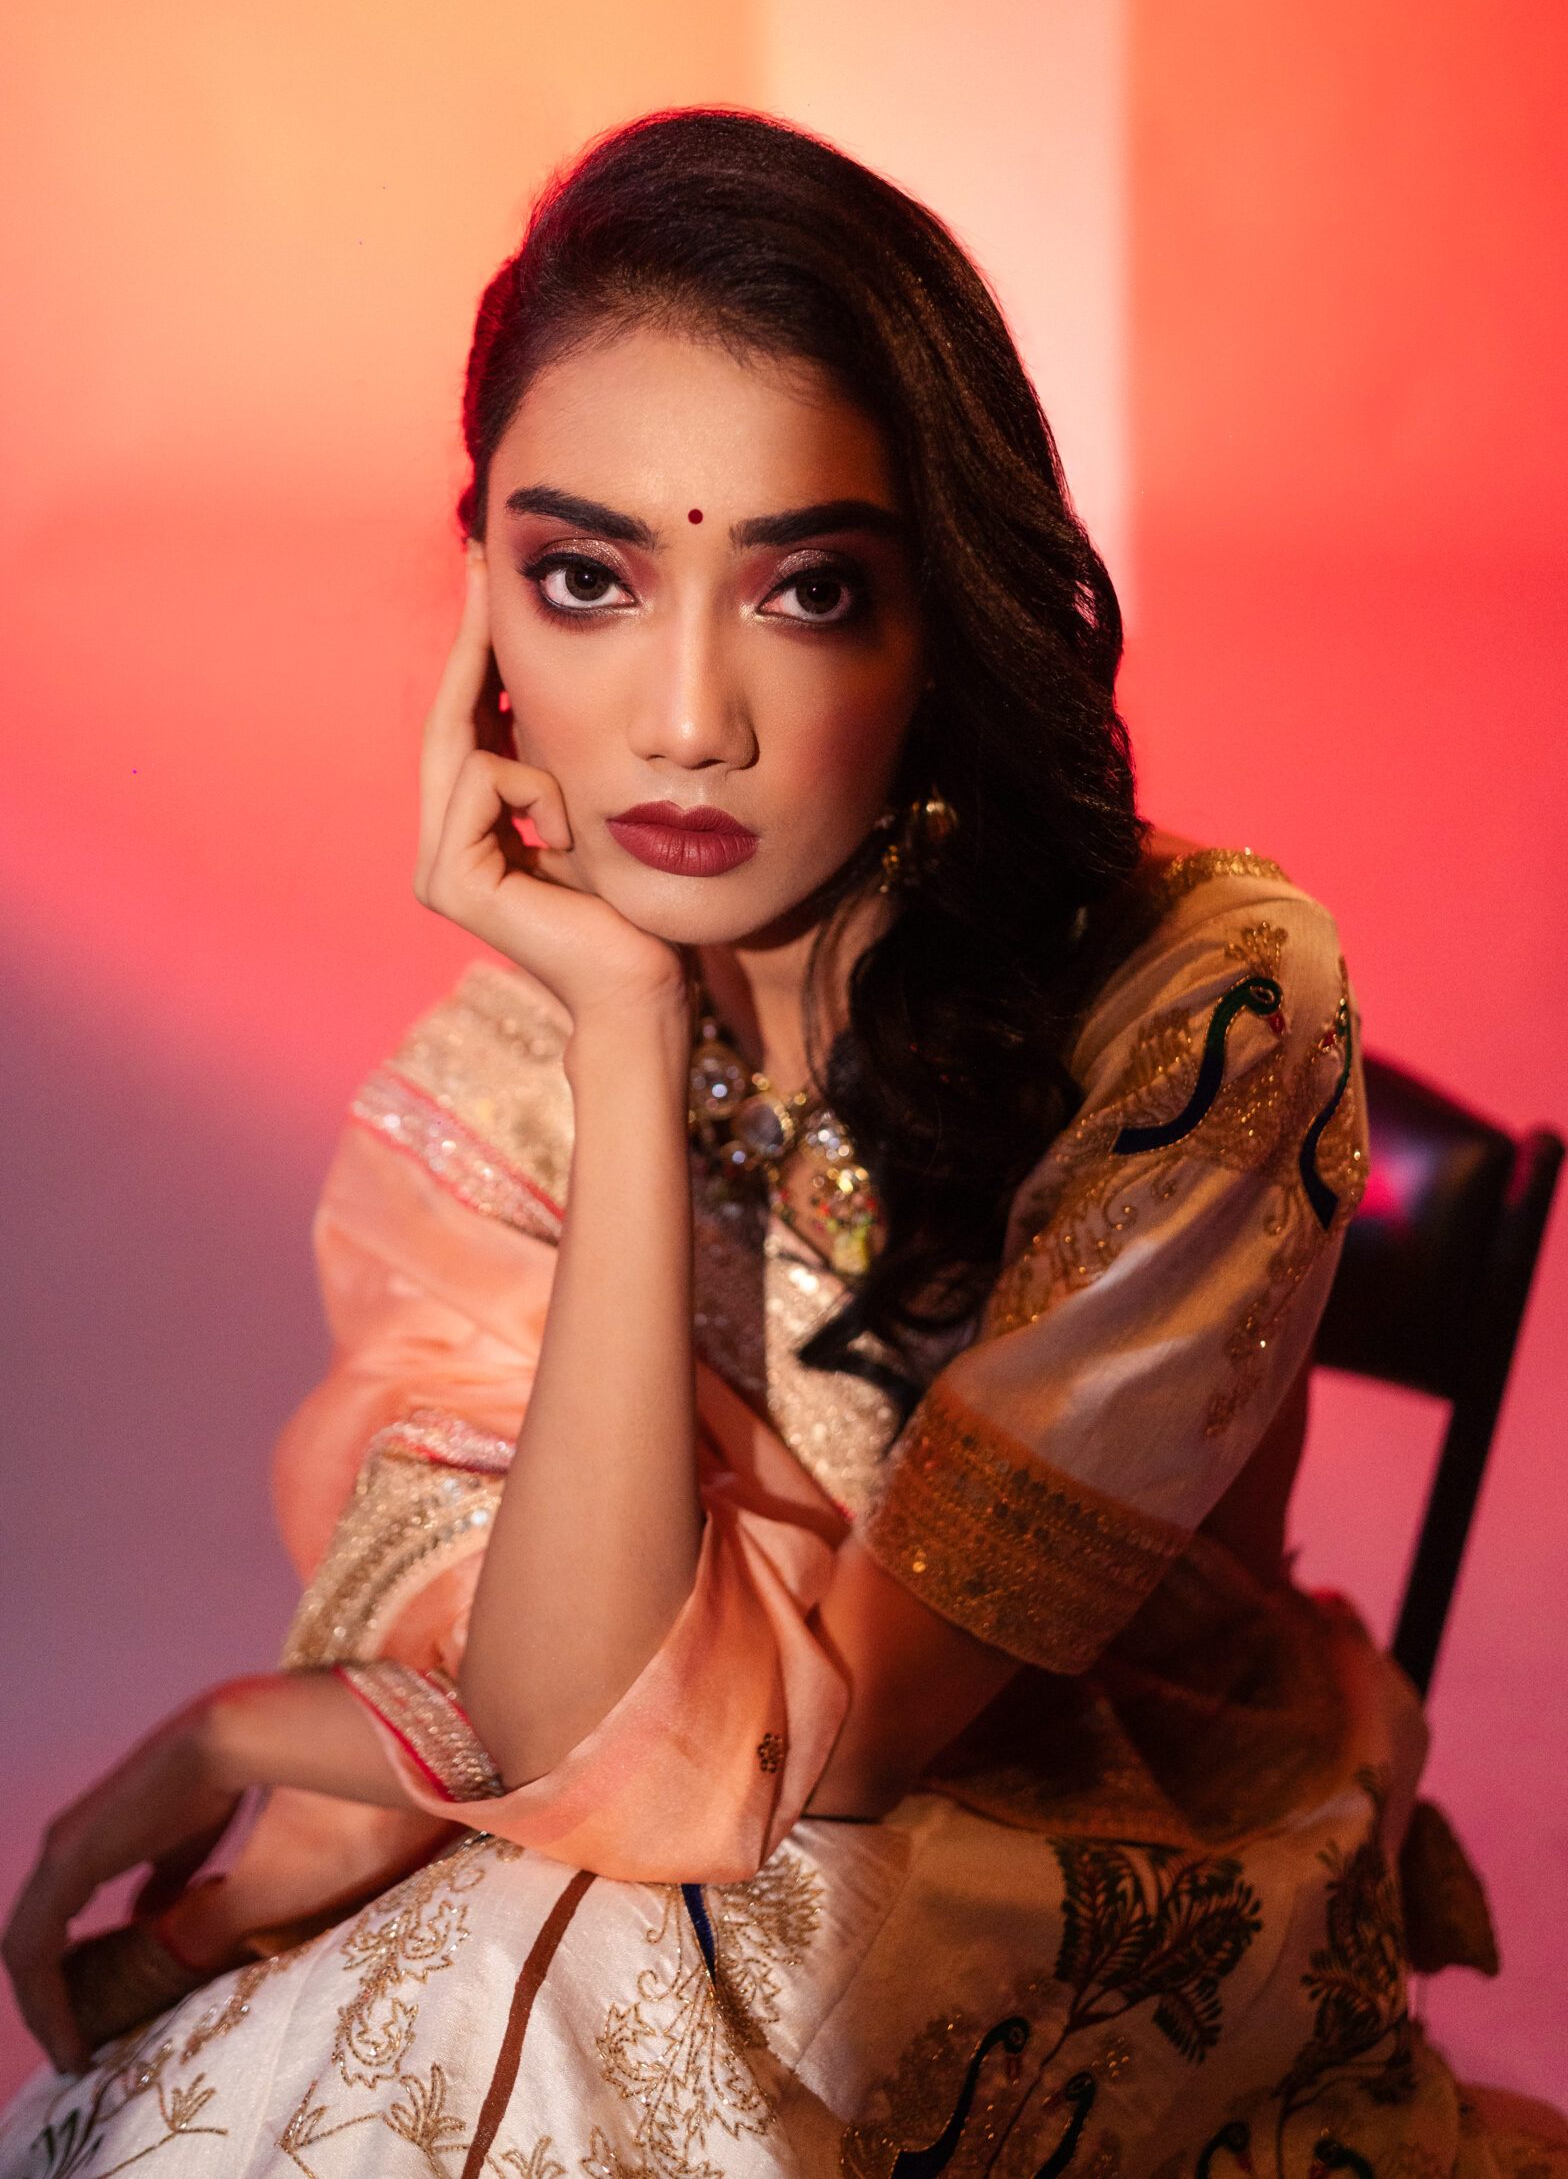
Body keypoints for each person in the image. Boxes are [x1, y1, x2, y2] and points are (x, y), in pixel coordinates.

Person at [1, 110, 1557, 2179]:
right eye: (584, 580)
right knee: (445, 1986)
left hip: (1108, 1855)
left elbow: (813, 1754)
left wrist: (290, 1730)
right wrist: (630, 1028)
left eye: (808, 590)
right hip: (684, 1857)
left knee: (592, 1972)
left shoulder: (1205, 1005)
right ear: (481, 609)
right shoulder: (512, 1065)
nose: (684, 718)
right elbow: (579, 1721)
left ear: (941, 617)